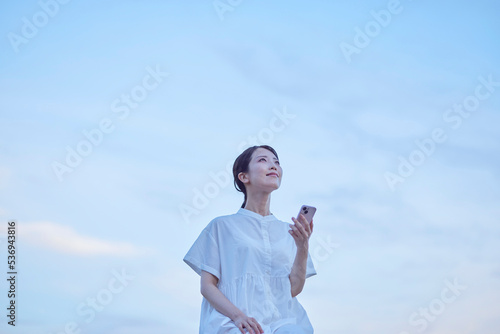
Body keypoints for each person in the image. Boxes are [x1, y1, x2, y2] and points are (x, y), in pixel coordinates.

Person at [183, 145, 316, 334]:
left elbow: (293, 289)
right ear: (243, 177)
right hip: (231, 321)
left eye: (276, 162)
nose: (273, 165)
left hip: (282, 321)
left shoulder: (290, 232)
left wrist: (302, 246)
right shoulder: (221, 226)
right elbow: (207, 286)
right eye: (263, 160)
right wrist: (239, 317)